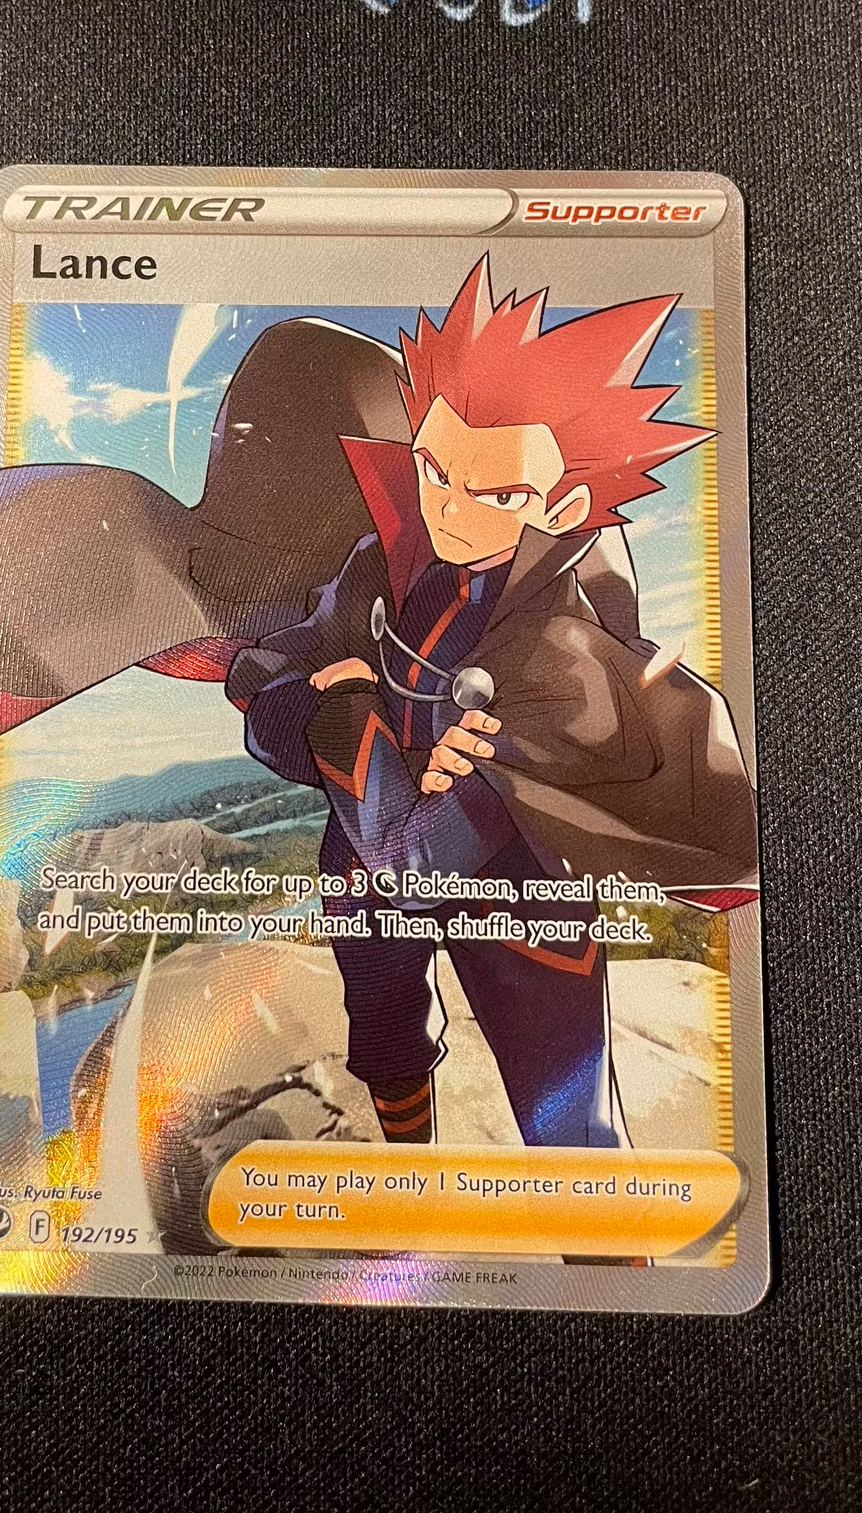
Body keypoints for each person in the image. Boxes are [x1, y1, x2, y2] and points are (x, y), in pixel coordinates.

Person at [227, 256, 757, 1151]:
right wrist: (334, 718)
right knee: (389, 1051)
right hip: (368, 892)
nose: (450, 511)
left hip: (519, 909)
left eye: (499, 492)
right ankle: (412, 1191)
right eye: (436, 470)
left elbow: (417, 862)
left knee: (574, 1134)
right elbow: (264, 681)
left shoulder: (569, 664)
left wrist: (345, 704)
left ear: (567, 504)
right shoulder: (389, 564)